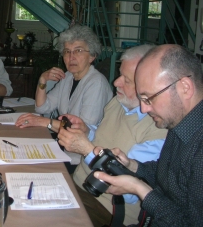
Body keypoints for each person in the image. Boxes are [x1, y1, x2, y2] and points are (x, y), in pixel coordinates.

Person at [57, 44, 168, 225]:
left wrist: (86, 148)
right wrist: (87, 130)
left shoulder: (159, 127)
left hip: (108, 209)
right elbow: (103, 136)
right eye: (119, 75)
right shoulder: (119, 101)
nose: (116, 82)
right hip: (77, 185)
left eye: (127, 79)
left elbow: (127, 189)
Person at [94, 44, 203, 226]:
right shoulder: (179, 122)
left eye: (148, 98)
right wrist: (133, 166)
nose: (144, 108)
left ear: (185, 87)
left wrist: (140, 189)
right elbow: (166, 174)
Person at [15, 24, 112, 129]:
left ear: (92, 56)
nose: (71, 57)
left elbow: (82, 129)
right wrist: (42, 80)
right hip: (67, 142)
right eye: (67, 51)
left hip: (88, 144)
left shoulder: (97, 83)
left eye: (78, 51)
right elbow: (42, 108)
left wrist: (45, 122)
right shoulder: (68, 77)